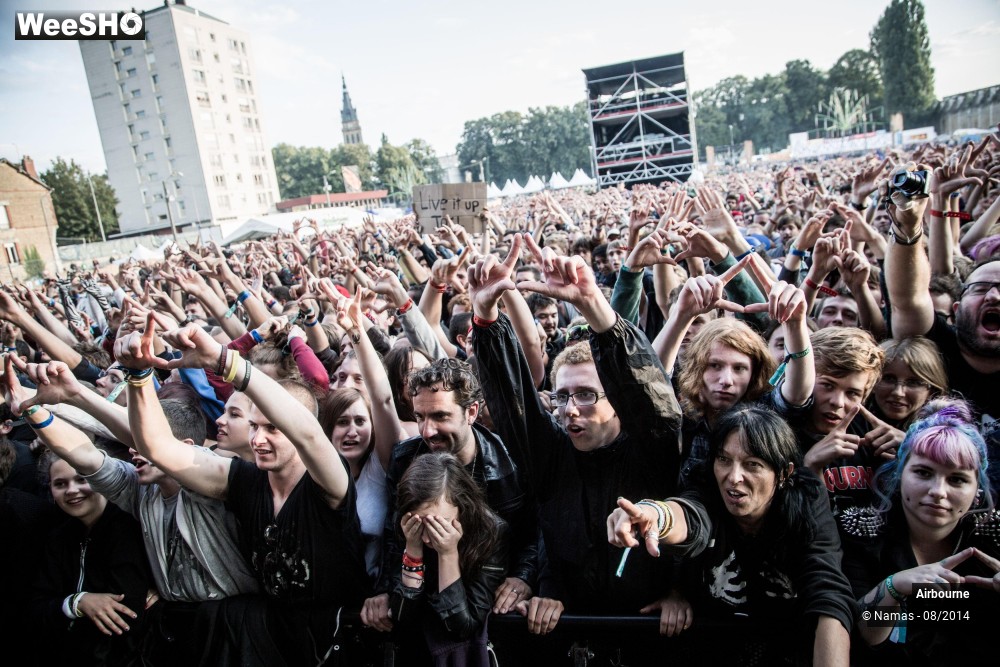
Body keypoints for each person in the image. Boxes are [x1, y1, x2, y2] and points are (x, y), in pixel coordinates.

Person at [113, 314, 369, 666]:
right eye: (254, 427)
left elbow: (308, 433)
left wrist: (225, 361)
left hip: (336, 642)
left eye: (273, 428)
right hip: (270, 639)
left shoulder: (327, 482)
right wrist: (138, 375)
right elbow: (159, 448)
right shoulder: (244, 480)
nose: (258, 439)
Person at [470, 233, 682, 639]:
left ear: (616, 399)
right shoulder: (553, 454)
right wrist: (485, 318)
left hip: (649, 631)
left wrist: (593, 305)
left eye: (586, 395)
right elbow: (515, 404)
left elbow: (652, 399)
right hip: (573, 633)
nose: (570, 409)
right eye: (563, 395)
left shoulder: (650, 449)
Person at [3, 353, 260, 665]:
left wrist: (126, 379)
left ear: (186, 449)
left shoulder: (214, 485)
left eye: (144, 444)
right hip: (178, 630)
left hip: (233, 630)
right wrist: (33, 410)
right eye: (134, 443)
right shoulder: (141, 489)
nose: (132, 450)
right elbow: (85, 456)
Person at [608, 405, 855, 666]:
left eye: (752, 464)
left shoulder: (807, 498)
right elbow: (691, 517)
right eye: (724, 460)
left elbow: (828, 591)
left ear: (784, 473)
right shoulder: (706, 486)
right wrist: (654, 514)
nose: (734, 477)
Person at [848, 399, 999, 664]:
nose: (938, 492)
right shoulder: (862, 533)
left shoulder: (995, 537)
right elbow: (864, 635)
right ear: (899, 475)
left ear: (977, 489)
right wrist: (893, 587)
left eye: (957, 479)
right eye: (923, 473)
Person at [30, 448, 155, 667]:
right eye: (60, 484)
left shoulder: (129, 530)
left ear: (101, 480)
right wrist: (78, 602)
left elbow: (124, 618)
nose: (72, 490)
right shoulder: (58, 536)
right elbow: (36, 607)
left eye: (81, 479)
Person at [389, 452, 508, 666]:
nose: (428, 537)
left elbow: (462, 627)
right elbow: (402, 618)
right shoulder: (406, 528)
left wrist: (448, 554)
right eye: (421, 524)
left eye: (439, 524)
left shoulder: (489, 532)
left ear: (462, 506)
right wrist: (413, 549)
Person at [869, 337, 947, 430]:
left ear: (931, 391)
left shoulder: (946, 430)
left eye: (913, 383)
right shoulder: (853, 420)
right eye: (889, 379)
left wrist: (908, 439)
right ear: (871, 382)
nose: (898, 393)